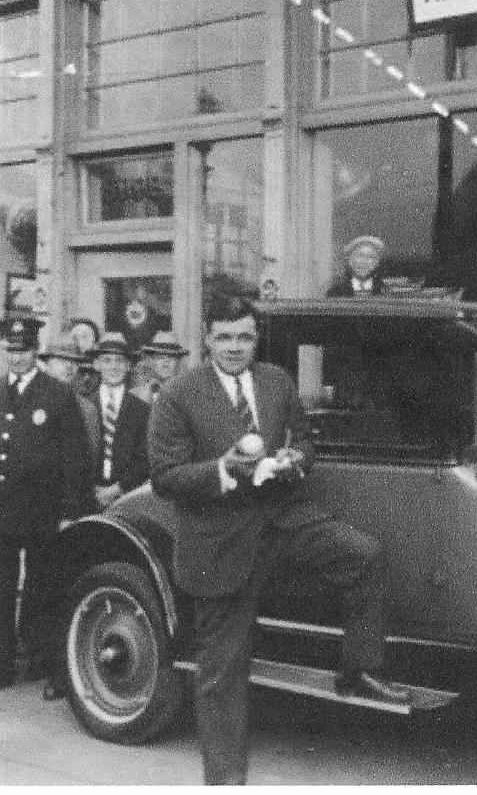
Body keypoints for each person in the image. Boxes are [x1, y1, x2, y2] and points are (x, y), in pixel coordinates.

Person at [148, 295, 407, 785]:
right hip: (218, 540)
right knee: (223, 675)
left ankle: (359, 670)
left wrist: (296, 459)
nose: (234, 347)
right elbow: (165, 477)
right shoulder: (179, 394)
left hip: (280, 518)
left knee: (362, 555)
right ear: (207, 338)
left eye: (244, 336)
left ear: (256, 338)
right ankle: (225, 782)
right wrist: (224, 469)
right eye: (224, 337)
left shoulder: (277, 382)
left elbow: (305, 441)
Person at [0, 315, 90, 689]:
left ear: (36, 352)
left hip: (42, 509)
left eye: (22, 351)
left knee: (43, 585)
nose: (16, 358)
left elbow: (75, 457)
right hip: (3, 509)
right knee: (2, 585)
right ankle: (4, 663)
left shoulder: (57, 394)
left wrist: (71, 512)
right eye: (10, 350)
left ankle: (43, 661)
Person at [79, 332, 151, 511]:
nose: (113, 367)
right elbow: (75, 454)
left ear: (128, 366)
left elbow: (146, 458)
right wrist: (90, 487)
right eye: (107, 360)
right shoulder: (82, 405)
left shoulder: (142, 409)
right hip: (87, 495)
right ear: (96, 364)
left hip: (127, 496)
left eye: (119, 361)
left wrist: (118, 489)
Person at [139, 330, 190, 404]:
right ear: (151, 361)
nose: (166, 362)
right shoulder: (137, 395)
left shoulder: (188, 396)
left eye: (171, 357)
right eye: (160, 357)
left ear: (178, 362)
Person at [67, 317, 101, 399]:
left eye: (84, 337)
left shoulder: (100, 368)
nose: (79, 342)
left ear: (95, 343)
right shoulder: (67, 367)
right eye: (75, 338)